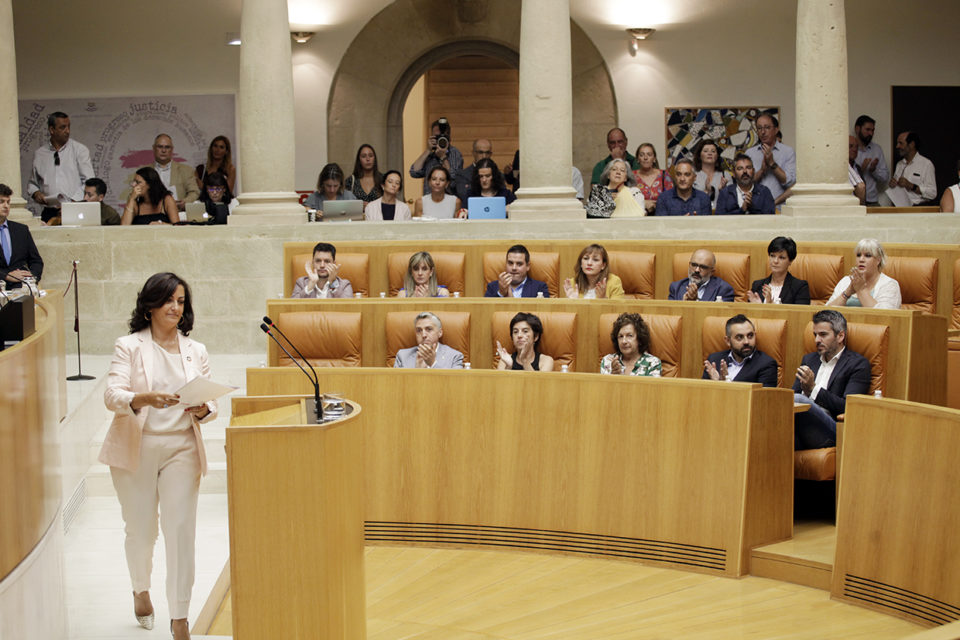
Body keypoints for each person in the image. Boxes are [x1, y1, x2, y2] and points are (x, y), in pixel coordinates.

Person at [100, 272, 217, 640]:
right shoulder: (129, 346)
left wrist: (202, 409)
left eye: (181, 301)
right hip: (139, 445)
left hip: (182, 447)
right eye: (168, 300)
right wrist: (142, 398)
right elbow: (111, 394)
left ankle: (180, 617)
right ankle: (140, 587)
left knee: (180, 532)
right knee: (141, 531)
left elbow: (209, 402)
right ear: (150, 306)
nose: (175, 308)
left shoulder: (195, 350)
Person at [793, 309, 871, 449]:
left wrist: (813, 389)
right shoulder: (809, 359)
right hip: (800, 425)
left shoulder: (858, 364)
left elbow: (848, 406)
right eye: (815, 335)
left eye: (823, 335)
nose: (817, 340)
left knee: (799, 400)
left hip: (831, 430)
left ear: (840, 336)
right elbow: (790, 397)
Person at [26, 111, 94, 223]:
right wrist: (36, 193)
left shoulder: (79, 150)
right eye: (62, 127)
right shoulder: (40, 153)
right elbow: (32, 183)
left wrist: (72, 202)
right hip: (49, 211)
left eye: (68, 127)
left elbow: (89, 181)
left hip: (75, 209)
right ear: (51, 130)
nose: (67, 131)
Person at [123, 134, 200, 210]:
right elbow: (134, 194)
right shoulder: (143, 171)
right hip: (151, 215)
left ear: (172, 149)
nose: (163, 150)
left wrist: (185, 202)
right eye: (160, 147)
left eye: (167, 147)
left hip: (178, 214)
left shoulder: (186, 170)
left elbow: (194, 192)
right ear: (153, 148)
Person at [702, 314, 778, 386]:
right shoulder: (714, 360)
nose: (746, 342)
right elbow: (702, 394)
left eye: (750, 336)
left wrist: (723, 385)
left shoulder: (766, 365)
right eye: (739, 337)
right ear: (728, 341)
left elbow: (763, 398)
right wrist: (716, 384)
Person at [826, 238, 901, 309]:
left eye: (868, 256)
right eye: (858, 255)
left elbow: (886, 316)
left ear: (878, 260)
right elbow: (824, 313)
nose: (861, 259)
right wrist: (847, 293)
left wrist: (861, 289)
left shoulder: (890, 285)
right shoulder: (846, 281)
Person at [744, 114, 796, 206]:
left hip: (779, 208)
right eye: (759, 128)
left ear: (776, 130)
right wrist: (762, 171)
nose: (763, 132)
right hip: (755, 209)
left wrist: (772, 164)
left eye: (767, 127)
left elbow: (790, 183)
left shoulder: (788, 152)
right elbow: (745, 184)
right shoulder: (750, 153)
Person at [0, 183, 44, 288]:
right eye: (1, 202)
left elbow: (36, 261)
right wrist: (5, 276)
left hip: (21, 288)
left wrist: (32, 278)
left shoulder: (21, 230)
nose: (6, 206)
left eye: (8, 202)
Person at [879, 131, 936, 206]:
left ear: (911, 144)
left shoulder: (926, 164)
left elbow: (932, 193)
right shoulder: (899, 164)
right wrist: (892, 185)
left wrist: (911, 186)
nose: (897, 146)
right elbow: (897, 187)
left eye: (901, 143)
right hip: (899, 209)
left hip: (918, 209)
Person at [748, 237, 810, 305]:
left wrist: (770, 305)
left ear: (790, 261)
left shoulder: (800, 287)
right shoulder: (757, 285)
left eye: (781, 257)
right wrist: (757, 307)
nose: (775, 261)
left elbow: (801, 314)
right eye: (772, 256)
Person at [409, 117, 463, 195]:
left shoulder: (454, 153)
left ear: (449, 137)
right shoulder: (430, 154)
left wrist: (443, 157)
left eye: (443, 136)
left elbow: (454, 180)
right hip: (429, 201)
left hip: (447, 201)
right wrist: (428, 150)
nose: (440, 139)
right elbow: (414, 172)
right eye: (437, 137)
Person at [394, 312, 464, 369]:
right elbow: (395, 384)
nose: (424, 335)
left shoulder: (455, 357)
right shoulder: (402, 356)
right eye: (419, 330)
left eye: (429, 329)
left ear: (440, 333)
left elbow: (455, 384)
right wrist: (417, 372)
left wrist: (433, 364)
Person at [484, 244, 550, 298]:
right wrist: (501, 293)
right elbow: (487, 310)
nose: (514, 268)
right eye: (510, 263)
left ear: (527, 266)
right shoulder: (492, 287)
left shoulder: (540, 288)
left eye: (519, 264)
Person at [668, 249, 735, 302]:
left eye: (703, 267)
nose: (697, 270)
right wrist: (684, 303)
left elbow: (722, 317)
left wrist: (695, 302)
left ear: (712, 272)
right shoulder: (676, 287)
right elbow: (671, 315)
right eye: (694, 265)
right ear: (689, 265)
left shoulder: (723, 289)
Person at [853, 115, 889, 206]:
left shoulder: (877, 149)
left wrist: (874, 171)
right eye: (867, 130)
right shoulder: (848, 148)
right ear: (857, 129)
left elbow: (885, 177)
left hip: (872, 201)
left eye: (872, 130)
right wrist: (861, 170)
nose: (871, 133)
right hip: (853, 201)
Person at [633, 142, 673, 214]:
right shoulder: (631, 176)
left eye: (649, 154)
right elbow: (625, 200)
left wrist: (655, 205)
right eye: (642, 155)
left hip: (661, 219)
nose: (645, 158)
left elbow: (672, 200)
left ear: (654, 159)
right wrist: (643, 203)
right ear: (638, 159)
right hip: (638, 219)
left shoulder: (664, 175)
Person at [692, 139, 731, 212]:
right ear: (699, 156)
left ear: (717, 156)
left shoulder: (726, 175)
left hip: (721, 216)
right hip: (699, 215)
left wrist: (722, 191)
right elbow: (689, 202)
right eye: (705, 151)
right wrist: (706, 192)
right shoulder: (692, 175)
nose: (709, 153)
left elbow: (732, 202)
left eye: (713, 151)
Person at [455, 138, 493, 203]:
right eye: (480, 152)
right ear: (473, 153)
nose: (484, 156)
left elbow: (501, 194)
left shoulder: (498, 174)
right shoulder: (462, 175)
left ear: (491, 154)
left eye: (487, 153)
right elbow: (464, 195)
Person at [848, 135, 866, 205]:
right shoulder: (839, 169)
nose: (855, 149)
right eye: (851, 146)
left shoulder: (857, 168)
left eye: (856, 147)